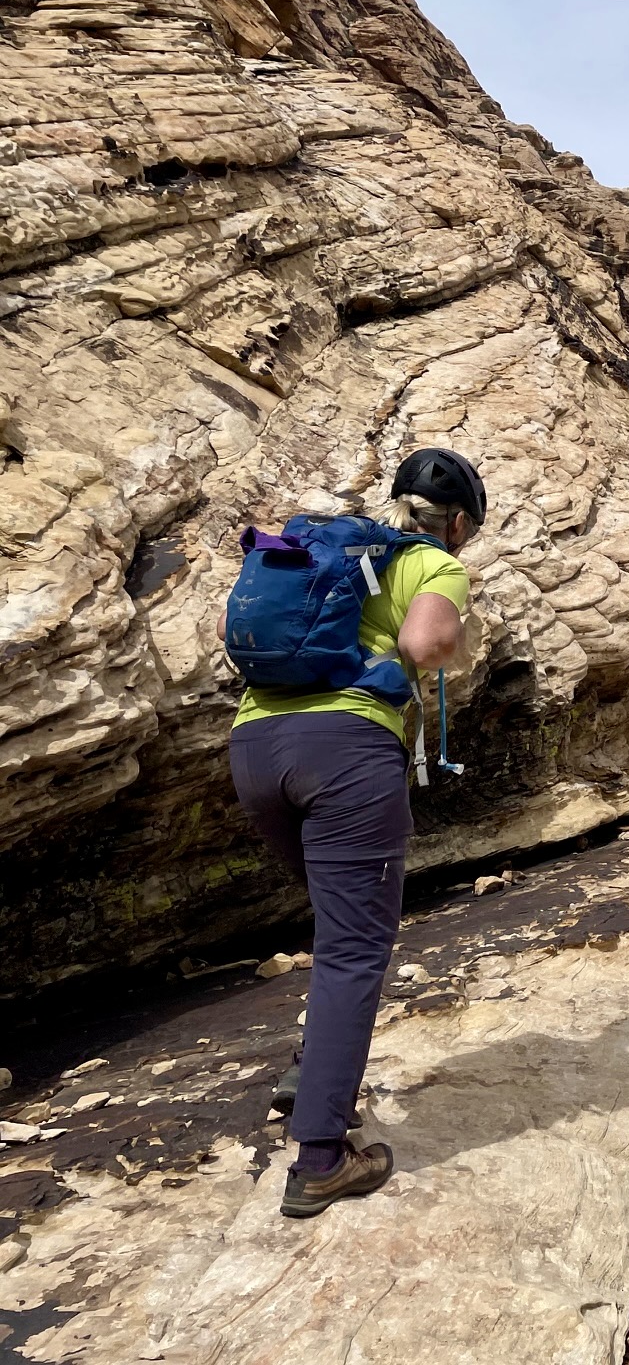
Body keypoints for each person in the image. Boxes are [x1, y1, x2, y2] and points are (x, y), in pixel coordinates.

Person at [220, 447, 486, 1218]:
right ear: (457, 523)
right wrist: (452, 644)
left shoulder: (327, 551)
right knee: (354, 949)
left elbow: (230, 630)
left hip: (254, 749)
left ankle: (308, 1072)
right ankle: (322, 1160)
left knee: (337, 927)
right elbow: (427, 646)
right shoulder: (431, 563)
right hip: (345, 752)